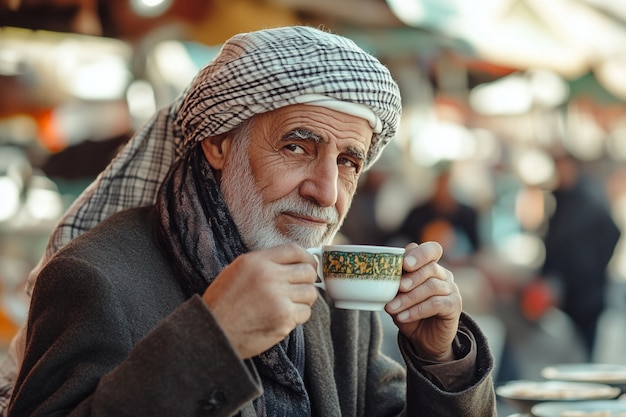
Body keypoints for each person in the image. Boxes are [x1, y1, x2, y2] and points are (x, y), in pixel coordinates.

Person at [3, 26, 496, 416]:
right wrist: (213, 338)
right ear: (218, 143)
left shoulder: (336, 293)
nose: (325, 191)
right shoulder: (93, 277)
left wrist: (442, 362)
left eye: (348, 161)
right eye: (297, 146)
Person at [540, 150, 621, 361]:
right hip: (567, 289)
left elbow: (612, 232)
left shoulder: (588, 198)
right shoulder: (561, 199)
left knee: (585, 348)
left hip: (588, 290)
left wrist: (594, 264)